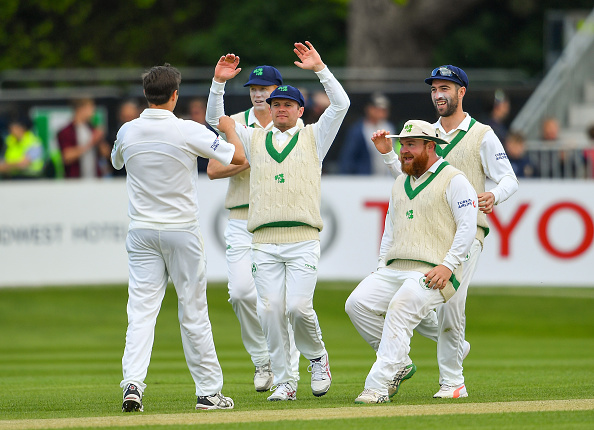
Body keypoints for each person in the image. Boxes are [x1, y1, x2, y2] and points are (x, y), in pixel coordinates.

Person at [212, 41, 349, 401]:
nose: (280, 109)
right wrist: (217, 83)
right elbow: (217, 121)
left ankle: (317, 357)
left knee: (297, 307)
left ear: (300, 109)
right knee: (269, 310)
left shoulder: (314, 136)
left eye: (287, 104)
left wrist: (320, 68)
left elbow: (342, 104)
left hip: (303, 237)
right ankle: (286, 381)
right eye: (275, 105)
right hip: (263, 241)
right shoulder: (255, 138)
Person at [111, 63, 246, 412]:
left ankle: (132, 386)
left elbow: (115, 162)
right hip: (181, 230)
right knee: (193, 311)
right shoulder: (187, 129)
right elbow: (238, 156)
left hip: (141, 232)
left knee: (141, 312)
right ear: (175, 96)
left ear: (145, 94)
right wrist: (230, 129)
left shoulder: (127, 130)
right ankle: (208, 393)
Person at [347, 120, 478, 403]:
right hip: (396, 266)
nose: (404, 150)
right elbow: (390, 227)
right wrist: (382, 265)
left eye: (411, 145)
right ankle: (400, 362)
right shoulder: (401, 181)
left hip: (435, 269)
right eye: (403, 144)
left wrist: (448, 265)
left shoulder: (454, 179)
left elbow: (468, 226)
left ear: (430, 147)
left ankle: (377, 386)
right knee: (357, 304)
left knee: (401, 308)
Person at [420, 65, 519, 398]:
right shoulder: (425, 134)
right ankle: (456, 344)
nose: (438, 95)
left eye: (445, 88)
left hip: (467, 231)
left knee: (451, 305)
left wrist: (494, 194)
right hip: (427, 232)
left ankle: (453, 382)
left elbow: (509, 179)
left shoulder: (482, 134)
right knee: (402, 299)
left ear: (461, 92)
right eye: (434, 89)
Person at [205, 64, 303, 393]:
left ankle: (287, 373)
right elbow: (213, 169)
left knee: (280, 301)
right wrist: (245, 162)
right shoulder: (237, 124)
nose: (258, 93)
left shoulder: (294, 125)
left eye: (264, 88)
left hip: (278, 220)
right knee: (241, 293)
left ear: (279, 90)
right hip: (240, 218)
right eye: (253, 89)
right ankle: (263, 360)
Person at [339, 92, 396, 175]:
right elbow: (348, 157)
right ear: (369, 109)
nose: (380, 112)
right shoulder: (358, 130)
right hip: (365, 178)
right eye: (377, 109)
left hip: (387, 176)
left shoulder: (389, 127)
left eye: (383, 110)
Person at [57, 97, 111, 178]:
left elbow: (106, 154)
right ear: (81, 109)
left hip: (95, 180)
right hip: (75, 181)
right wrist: (91, 143)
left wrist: (100, 141)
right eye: (91, 108)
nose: (93, 112)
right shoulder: (66, 132)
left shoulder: (92, 129)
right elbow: (67, 157)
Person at [109, 99, 142, 177]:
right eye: (125, 117)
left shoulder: (143, 134)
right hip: (118, 177)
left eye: (131, 118)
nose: (127, 121)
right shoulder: (113, 134)